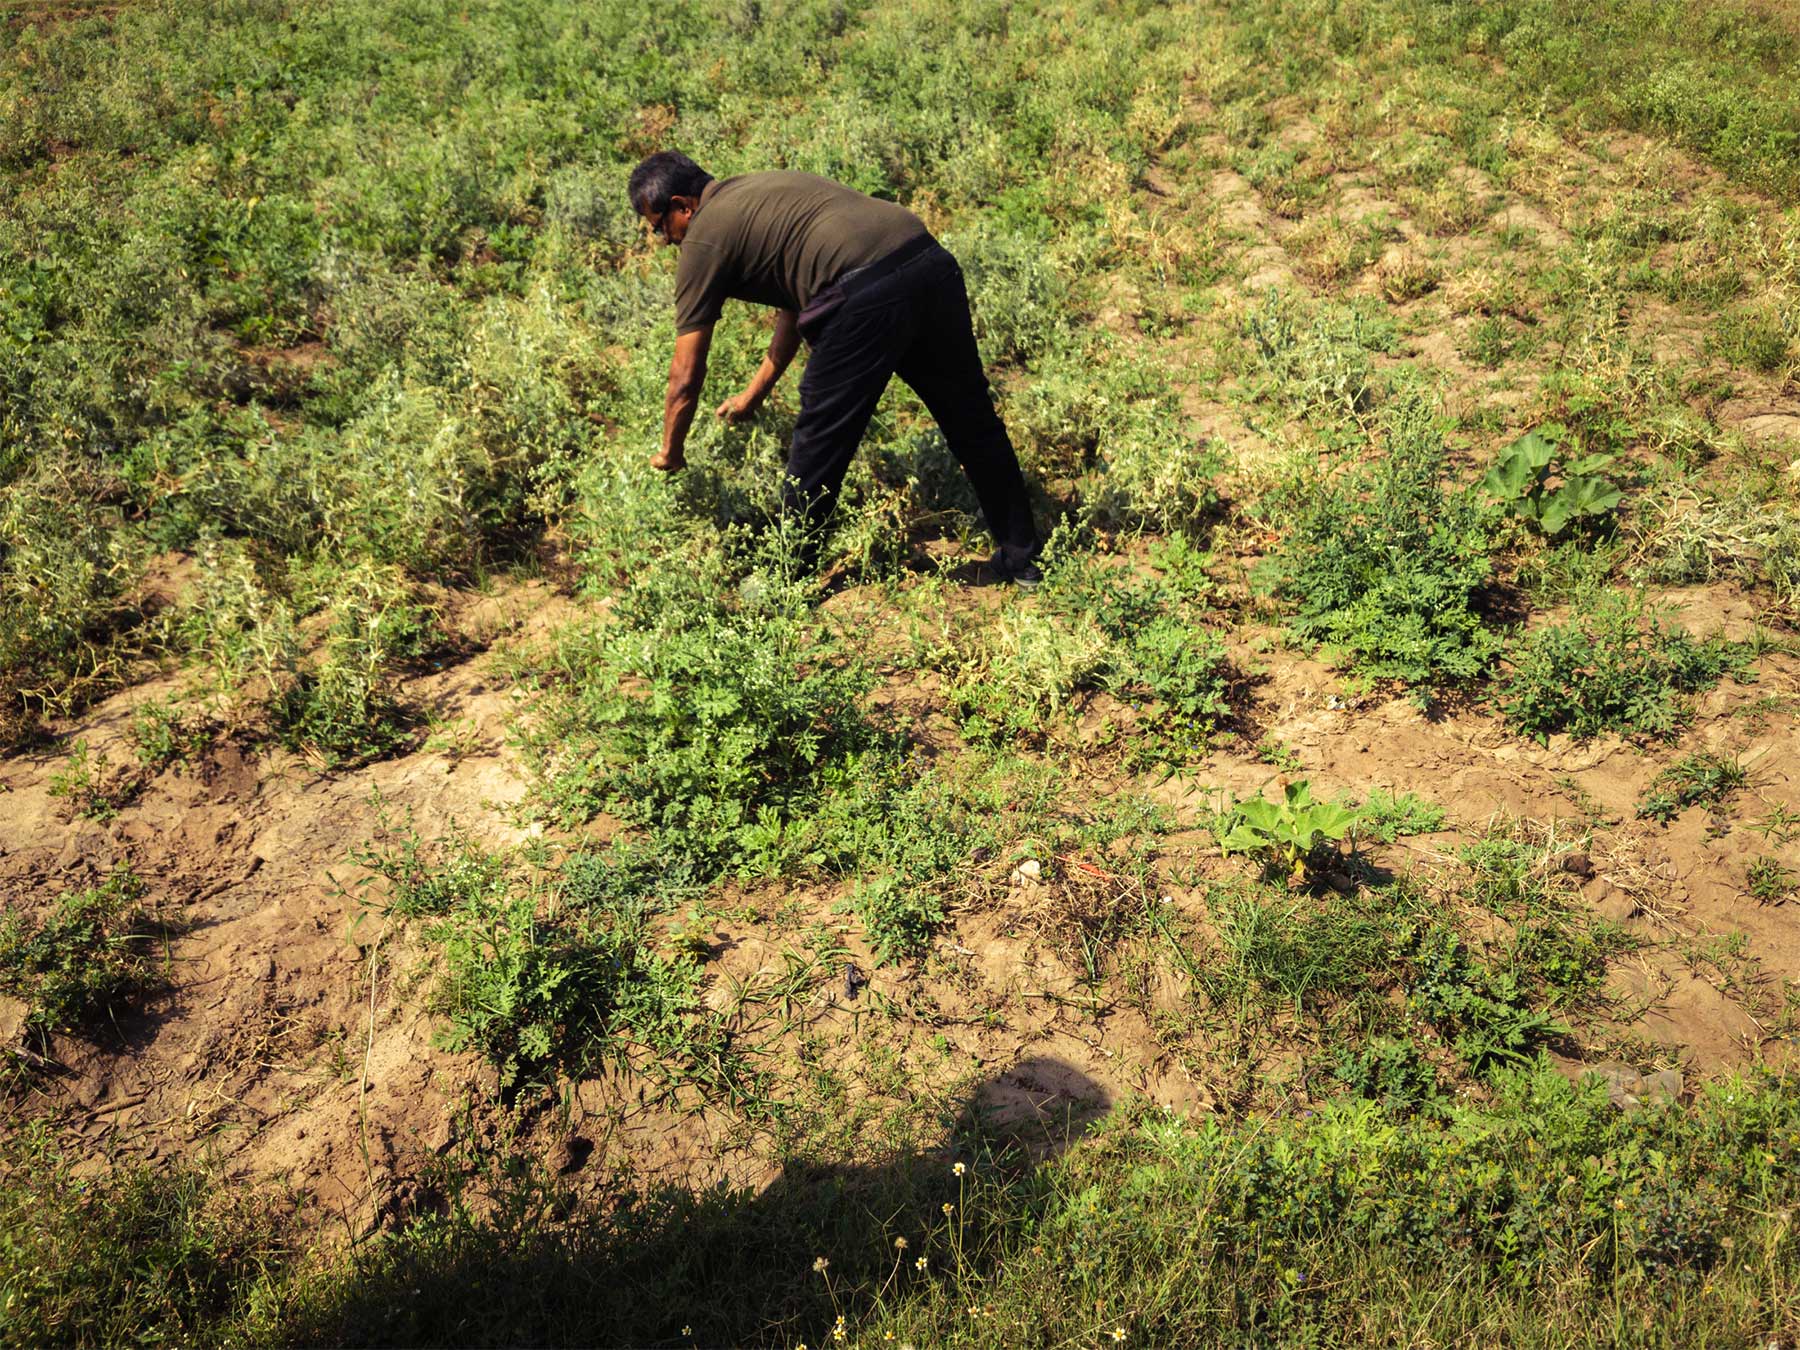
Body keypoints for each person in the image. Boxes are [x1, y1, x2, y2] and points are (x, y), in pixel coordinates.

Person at [627, 151, 1042, 584]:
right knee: (972, 421)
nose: (665, 240)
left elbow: (685, 375)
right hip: (928, 262)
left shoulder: (703, 238)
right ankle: (1023, 559)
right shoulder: (761, 188)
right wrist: (755, 393)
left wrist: (671, 452)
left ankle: (787, 582)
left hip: (864, 295)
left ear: (682, 206)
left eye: (660, 228)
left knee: (819, 445)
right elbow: (795, 303)